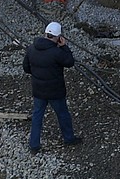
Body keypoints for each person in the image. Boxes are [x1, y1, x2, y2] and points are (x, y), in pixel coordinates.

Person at [22, 21, 80, 153]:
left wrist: (37, 75)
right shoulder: (57, 52)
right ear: (58, 37)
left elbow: (26, 68)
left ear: (45, 33)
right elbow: (70, 62)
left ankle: (34, 145)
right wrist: (64, 47)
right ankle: (69, 138)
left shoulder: (31, 48)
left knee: (37, 116)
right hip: (55, 91)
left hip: (38, 90)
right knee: (63, 114)